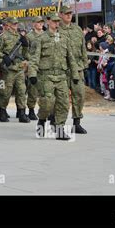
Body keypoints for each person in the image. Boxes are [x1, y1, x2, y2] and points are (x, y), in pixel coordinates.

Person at [28, 13, 79, 141]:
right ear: (48, 22)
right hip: (46, 76)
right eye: (54, 21)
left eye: (58, 21)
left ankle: (59, 128)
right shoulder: (40, 39)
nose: (57, 23)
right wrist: (32, 74)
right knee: (47, 103)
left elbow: (71, 59)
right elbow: (34, 59)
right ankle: (42, 119)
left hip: (61, 76)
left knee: (63, 104)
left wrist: (75, 74)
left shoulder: (64, 38)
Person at [0, 17, 30, 123]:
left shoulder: (20, 37)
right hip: (7, 70)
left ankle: (22, 112)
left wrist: (26, 45)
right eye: (13, 24)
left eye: (16, 23)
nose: (15, 25)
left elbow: (24, 54)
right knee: (5, 92)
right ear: (8, 24)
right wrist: (3, 60)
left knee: (21, 91)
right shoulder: (2, 37)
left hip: (19, 69)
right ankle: (2, 111)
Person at [59, 5, 88, 134]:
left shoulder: (77, 29)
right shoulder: (56, 31)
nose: (69, 15)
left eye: (70, 13)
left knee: (79, 95)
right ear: (60, 15)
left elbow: (83, 49)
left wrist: (84, 65)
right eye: (66, 13)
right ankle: (59, 123)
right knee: (62, 98)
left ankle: (77, 123)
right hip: (63, 69)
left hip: (77, 68)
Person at [26, 16, 44, 120]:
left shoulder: (46, 35)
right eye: (38, 22)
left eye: (42, 22)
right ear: (33, 24)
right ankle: (31, 110)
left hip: (45, 65)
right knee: (32, 89)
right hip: (34, 65)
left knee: (46, 89)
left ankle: (45, 110)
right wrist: (31, 60)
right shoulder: (29, 36)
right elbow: (26, 51)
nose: (41, 24)